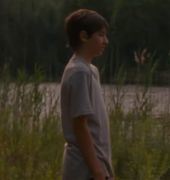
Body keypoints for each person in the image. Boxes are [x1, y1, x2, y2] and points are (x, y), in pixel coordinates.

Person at [60, 9, 114, 180]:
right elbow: (80, 126)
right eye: (101, 35)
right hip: (85, 168)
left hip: (97, 163)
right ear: (84, 36)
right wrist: (96, 169)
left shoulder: (91, 71)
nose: (106, 41)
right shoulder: (79, 72)